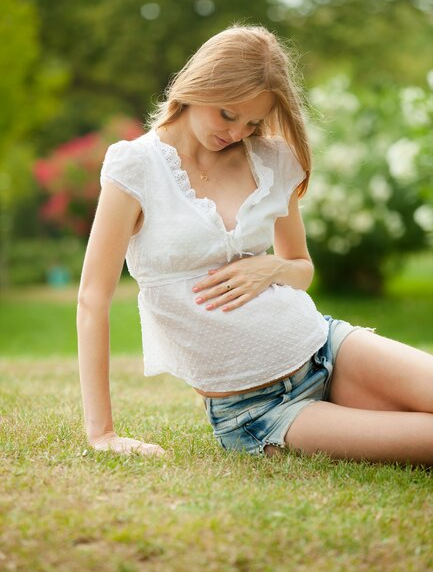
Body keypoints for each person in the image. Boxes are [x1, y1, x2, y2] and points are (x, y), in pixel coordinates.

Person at [77, 25, 433, 464]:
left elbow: (301, 267)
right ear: (197, 86)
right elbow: (93, 299)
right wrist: (103, 433)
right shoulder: (135, 166)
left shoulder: (271, 158)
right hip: (262, 410)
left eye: (253, 122)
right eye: (228, 114)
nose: (237, 132)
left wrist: (273, 268)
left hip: (325, 346)